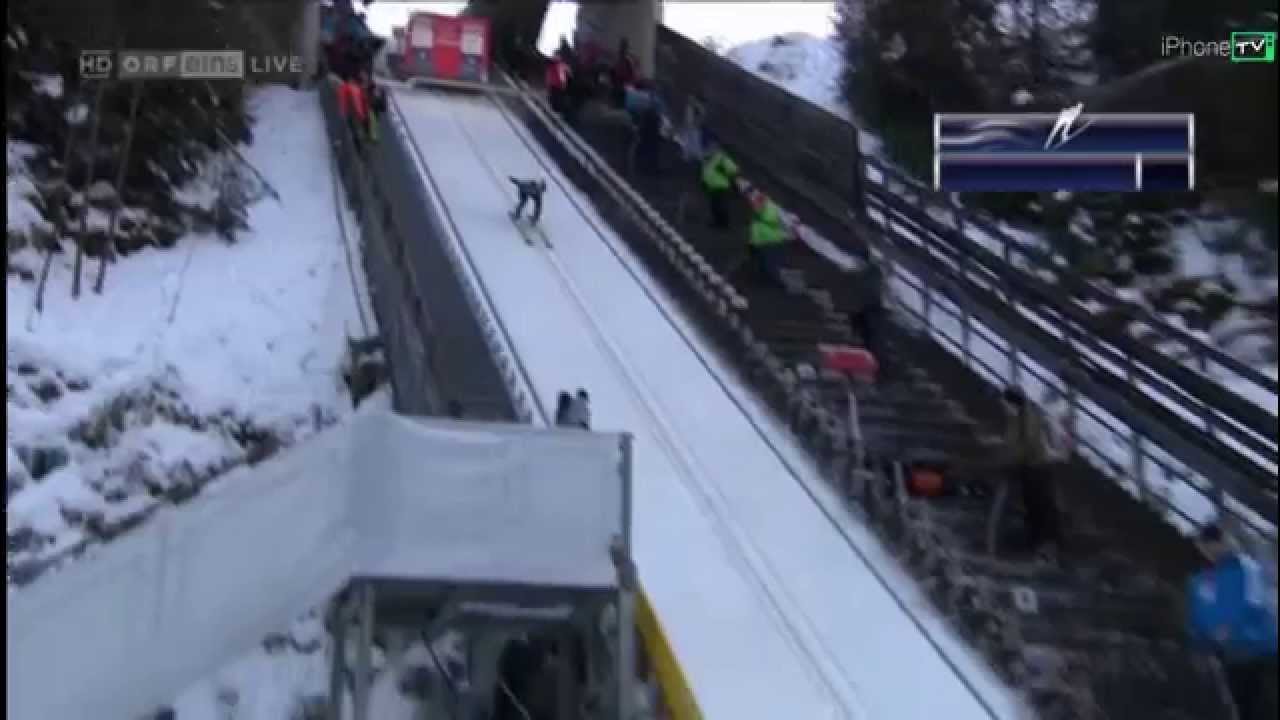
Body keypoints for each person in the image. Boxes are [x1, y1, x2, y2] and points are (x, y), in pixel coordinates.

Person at [1187, 524, 1278, 720]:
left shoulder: (1247, 568)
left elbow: (1256, 603)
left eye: (1209, 546)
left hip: (1257, 650)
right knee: (1242, 705)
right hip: (1231, 655)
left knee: (1260, 703)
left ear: (1221, 542)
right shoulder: (1204, 579)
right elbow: (1199, 616)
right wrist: (1200, 641)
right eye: (1202, 548)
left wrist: (1231, 628)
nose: (1206, 552)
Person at [987, 386, 1059, 560]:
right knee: (1032, 506)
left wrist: (1012, 462)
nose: (1004, 407)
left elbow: (1027, 444)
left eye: (1006, 403)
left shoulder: (1029, 417)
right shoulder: (1016, 417)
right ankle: (1035, 543)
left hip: (1037, 467)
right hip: (1028, 467)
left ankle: (1046, 546)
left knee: (1040, 506)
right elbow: (1013, 443)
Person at [746, 190, 788, 288]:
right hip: (763, 242)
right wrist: (752, 242)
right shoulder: (761, 212)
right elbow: (755, 230)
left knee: (770, 262)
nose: (754, 207)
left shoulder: (770, 212)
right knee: (764, 262)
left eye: (756, 204)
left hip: (770, 241)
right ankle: (766, 276)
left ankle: (775, 281)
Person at [701, 139, 737, 229]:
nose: (710, 149)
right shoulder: (709, 158)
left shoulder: (722, 158)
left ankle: (724, 223)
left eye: (712, 148)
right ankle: (717, 222)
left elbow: (733, 169)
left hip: (721, 186)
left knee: (721, 205)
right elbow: (706, 171)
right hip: (711, 185)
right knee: (714, 205)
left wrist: (727, 174)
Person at [336, 73, 368, 154]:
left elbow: (342, 100)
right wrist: (361, 115)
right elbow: (357, 103)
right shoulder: (354, 88)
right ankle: (358, 150)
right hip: (352, 113)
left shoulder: (347, 88)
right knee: (355, 131)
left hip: (348, 112)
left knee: (349, 130)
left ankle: (342, 145)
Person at [545, 53, 572, 118]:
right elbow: (549, 76)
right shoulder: (553, 66)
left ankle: (560, 112)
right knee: (555, 98)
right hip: (555, 85)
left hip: (558, 86)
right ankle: (557, 111)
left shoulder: (561, 65)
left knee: (558, 99)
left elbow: (567, 72)